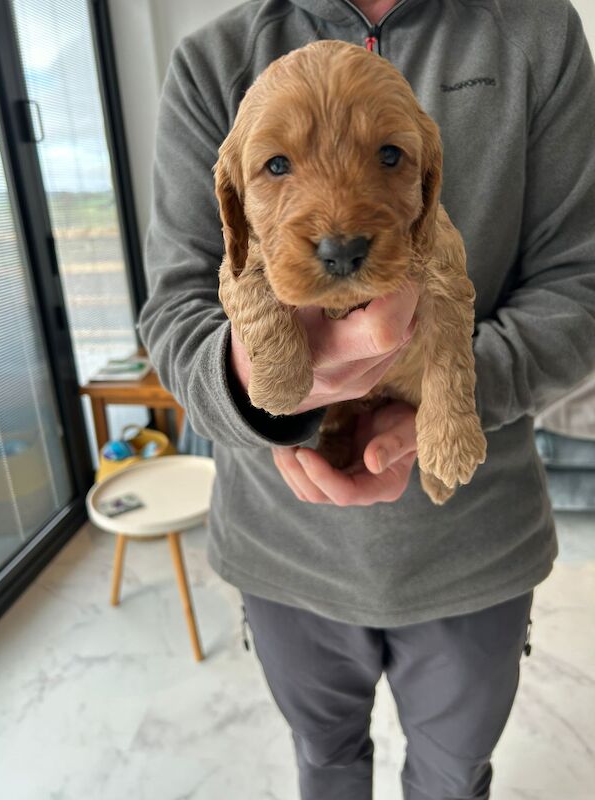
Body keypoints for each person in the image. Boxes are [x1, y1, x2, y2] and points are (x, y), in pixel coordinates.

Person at [138, 0, 595, 797]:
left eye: (389, 156)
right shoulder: (213, 61)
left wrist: (439, 396)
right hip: (285, 547)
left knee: (455, 777)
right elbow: (175, 308)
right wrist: (264, 395)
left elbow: (582, 286)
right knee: (326, 765)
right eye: (277, 166)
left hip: (474, 542)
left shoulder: (536, 33)